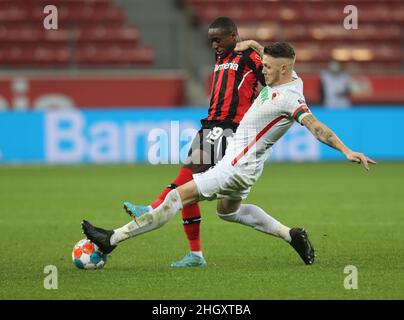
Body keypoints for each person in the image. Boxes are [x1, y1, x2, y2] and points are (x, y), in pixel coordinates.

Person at [82, 42, 376, 267]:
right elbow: (263, 51)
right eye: (264, 65)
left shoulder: (289, 97)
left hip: (234, 167)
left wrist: (346, 150)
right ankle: (291, 235)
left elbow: (316, 127)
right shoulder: (288, 77)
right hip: (246, 168)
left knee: (175, 197)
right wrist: (248, 44)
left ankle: (112, 240)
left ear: (284, 69)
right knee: (228, 211)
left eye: (268, 68)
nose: (262, 70)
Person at [127, 17, 265, 267]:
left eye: (218, 39)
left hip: (228, 129)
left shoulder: (250, 58)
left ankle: (151, 208)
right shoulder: (222, 57)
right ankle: (196, 254)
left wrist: (257, 46)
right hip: (210, 125)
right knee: (190, 186)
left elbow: (274, 78)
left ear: (234, 36)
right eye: (211, 40)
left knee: (188, 177)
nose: (214, 45)